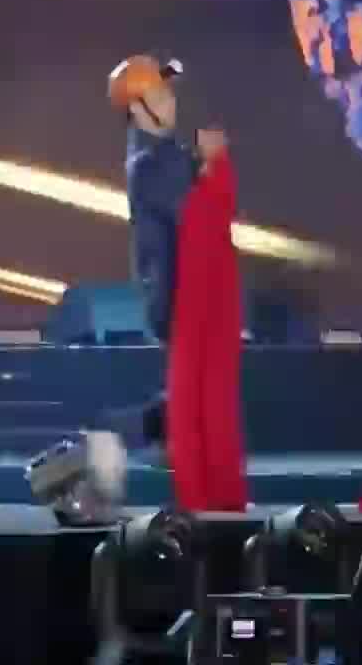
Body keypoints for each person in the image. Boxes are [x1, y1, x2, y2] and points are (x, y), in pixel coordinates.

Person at [109, 53, 247, 511]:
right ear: (137, 107)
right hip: (183, 297)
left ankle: (209, 490)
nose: (171, 102)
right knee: (199, 407)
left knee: (206, 404)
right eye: (160, 94)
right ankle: (205, 496)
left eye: (169, 93)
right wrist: (214, 165)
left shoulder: (164, 155)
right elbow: (198, 216)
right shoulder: (151, 162)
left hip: (193, 295)